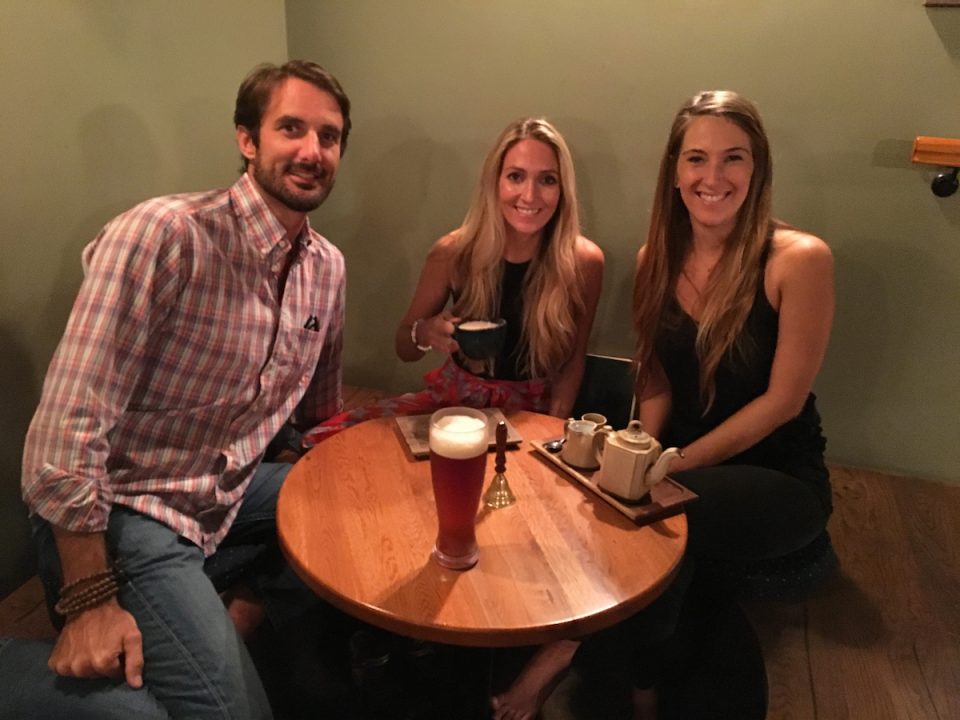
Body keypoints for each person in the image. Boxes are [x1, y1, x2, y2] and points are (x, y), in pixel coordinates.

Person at [7, 60, 351, 720]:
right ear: (247, 140)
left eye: (329, 136)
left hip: (227, 487)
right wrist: (91, 604)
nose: (312, 151)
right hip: (129, 507)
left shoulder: (327, 269)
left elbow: (320, 420)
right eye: (291, 128)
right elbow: (61, 439)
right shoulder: (165, 234)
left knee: (356, 510)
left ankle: (239, 619)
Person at [629, 90, 835, 718]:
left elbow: (781, 402)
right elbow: (658, 381)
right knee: (644, 537)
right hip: (682, 460)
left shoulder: (799, 260)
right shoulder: (653, 260)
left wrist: (672, 467)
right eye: (695, 159)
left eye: (733, 159)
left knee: (661, 523)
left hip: (777, 474)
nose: (712, 178)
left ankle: (613, 682)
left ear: (758, 168)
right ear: (674, 170)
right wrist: (634, 448)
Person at [304, 117, 604, 444]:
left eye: (547, 180)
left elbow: (573, 363)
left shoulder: (584, 262)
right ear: (495, 183)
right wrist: (426, 332)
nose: (529, 195)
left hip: (533, 414)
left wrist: (551, 433)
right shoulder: (453, 252)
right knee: (328, 438)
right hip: (456, 404)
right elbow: (404, 346)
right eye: (515, 177)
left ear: (563, 190)